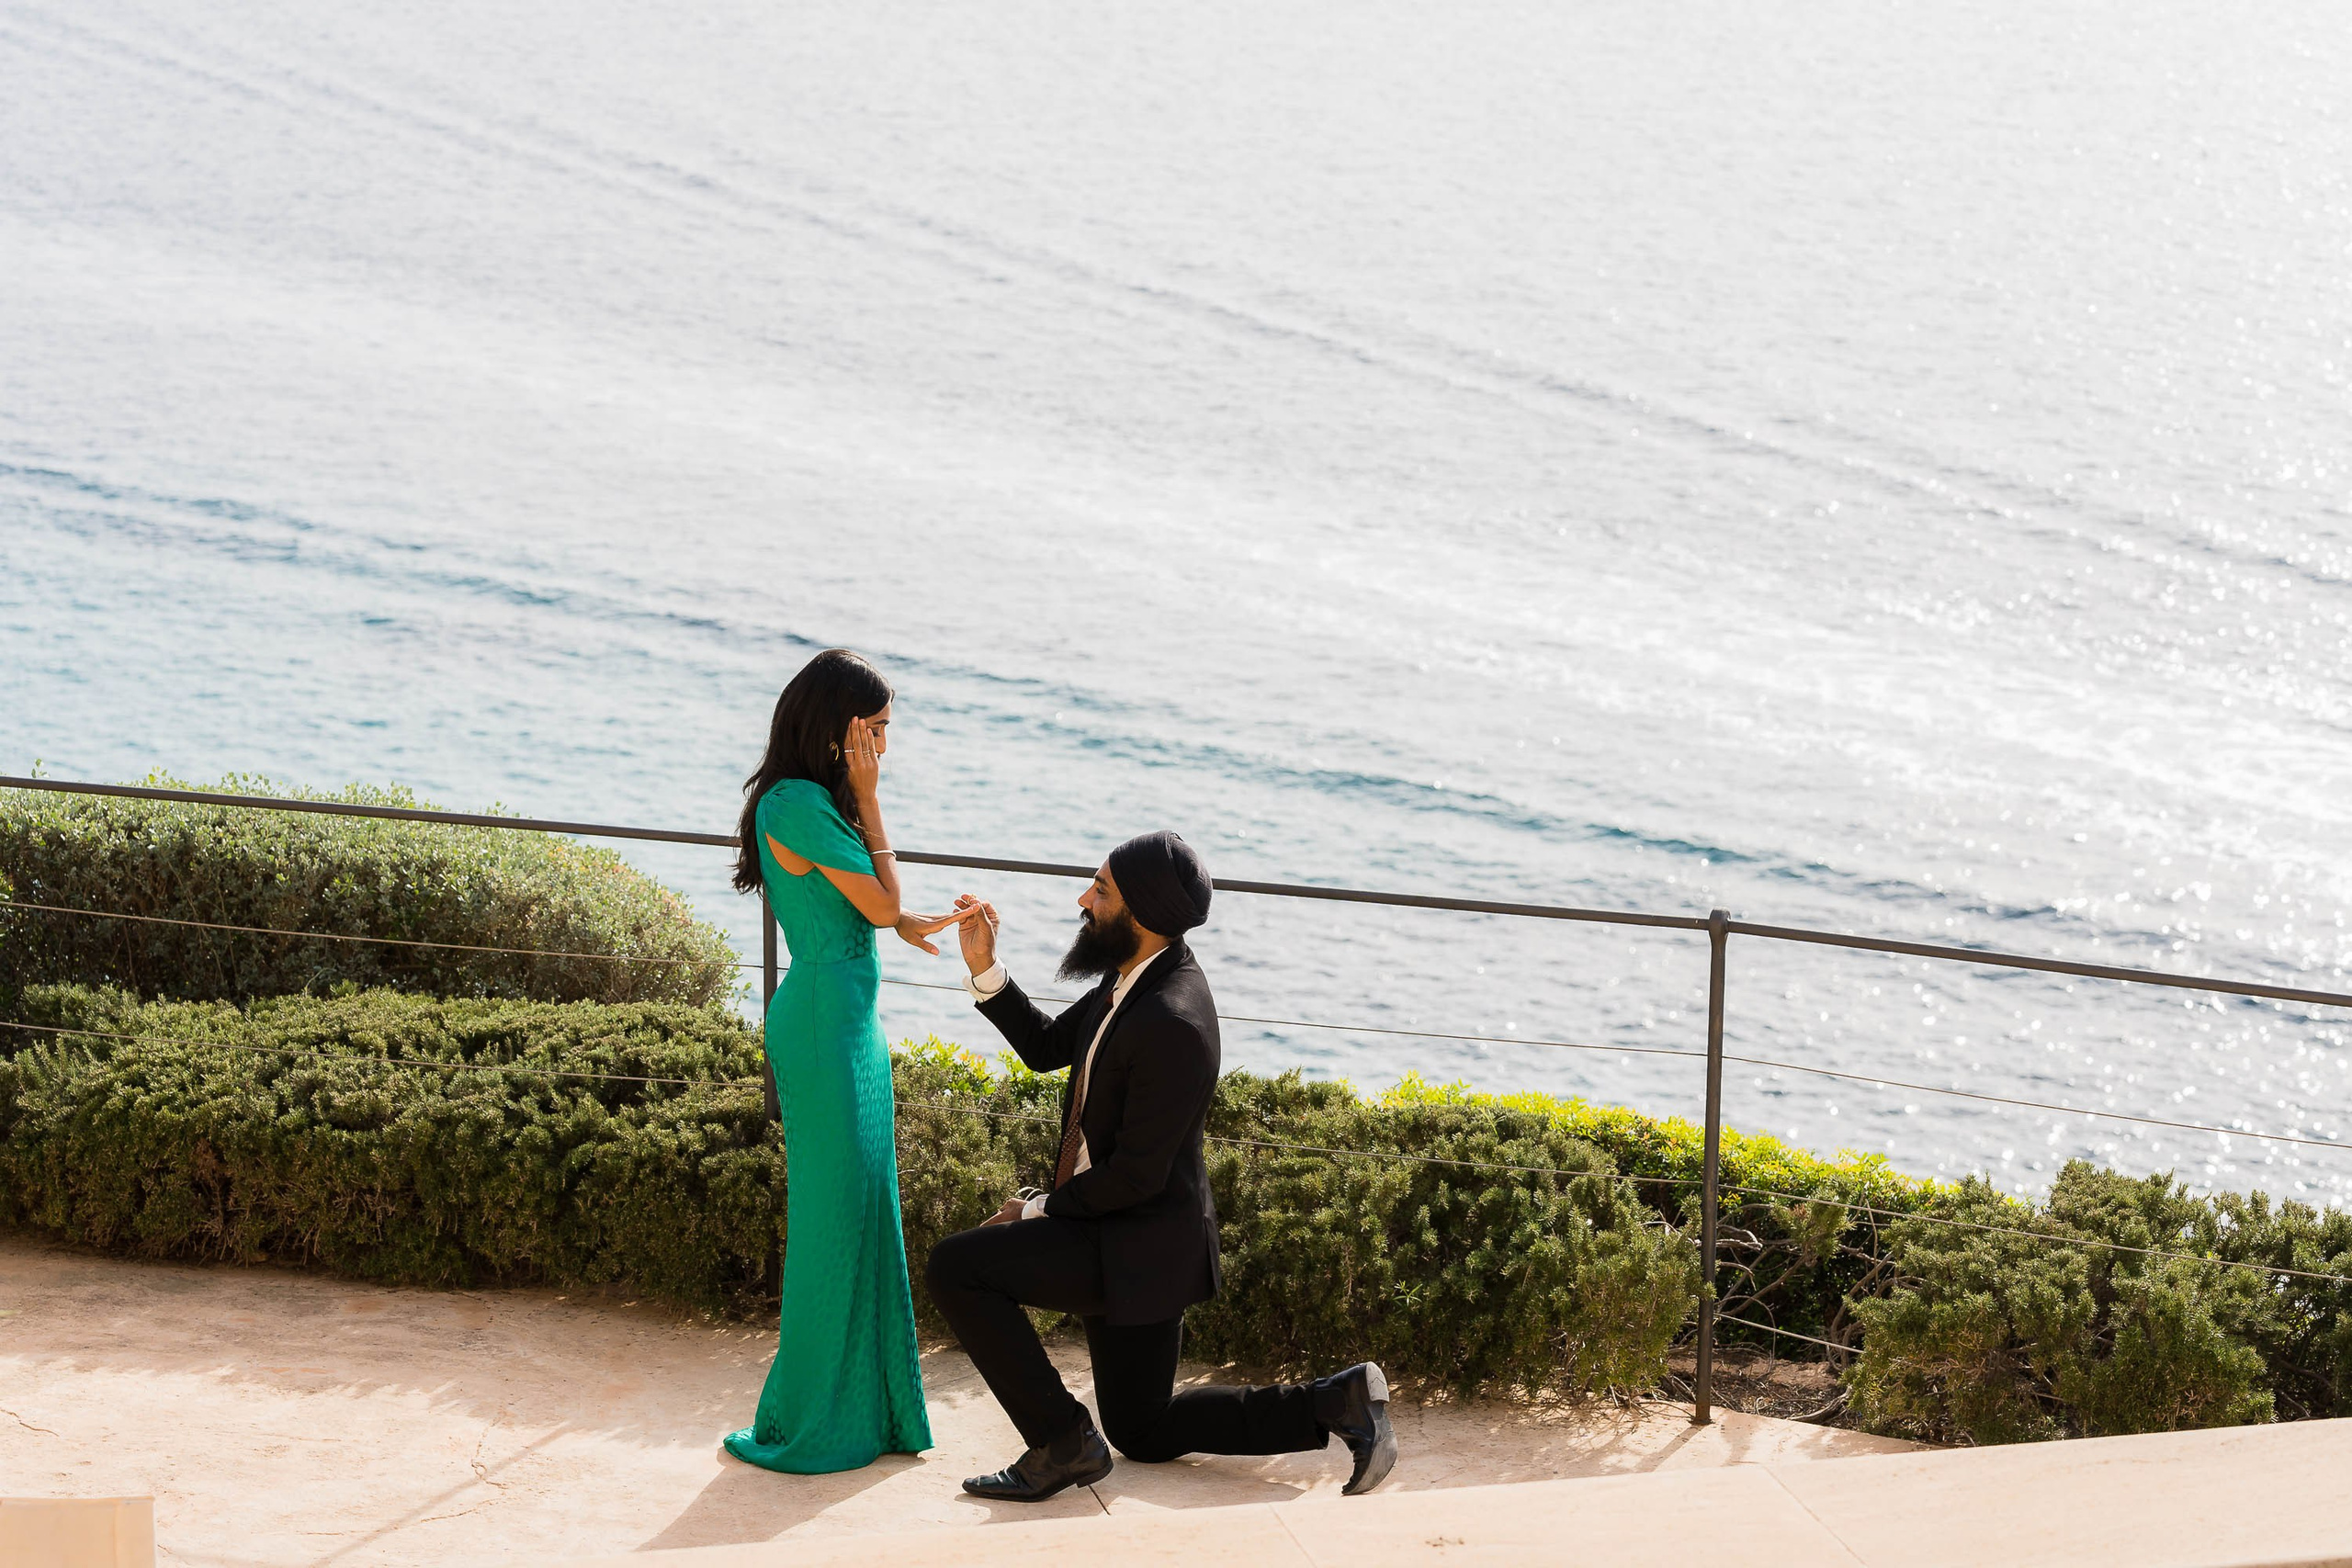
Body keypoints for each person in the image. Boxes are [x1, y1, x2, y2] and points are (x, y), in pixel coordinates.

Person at [925, 831, 1396, 1501]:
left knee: (957, 1267)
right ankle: (1336, 1401)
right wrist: (985, 967)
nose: (1083, 900)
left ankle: (1061, 1442)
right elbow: (1046, 1046)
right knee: (1141, 1428)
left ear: (1141, 910)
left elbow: (1135, 1177)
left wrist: (1032, 1210)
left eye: (1101, 890)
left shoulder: (1172, 1019)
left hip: (1136, 1244)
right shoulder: (1135, 974)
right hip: (1118, 1226)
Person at [722, 649, 975, 1474]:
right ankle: (813, 1420)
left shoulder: (807, 800)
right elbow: (880, 898)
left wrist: (902, 922)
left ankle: (872, 1410)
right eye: (876, 730)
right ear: (838, 727)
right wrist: (870, 801)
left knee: (867, 1210)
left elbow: (866, 906)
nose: (883, 749)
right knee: (831, 1223)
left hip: (851, 1023)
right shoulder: (796, 803)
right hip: (822, 1027)